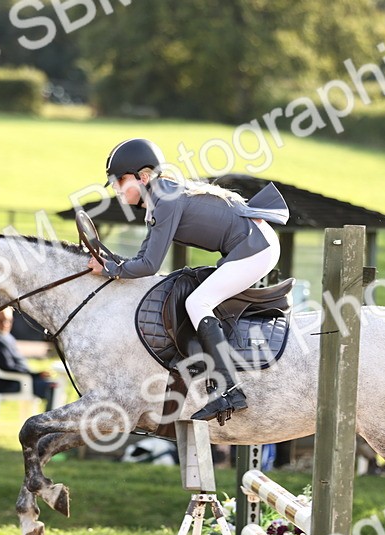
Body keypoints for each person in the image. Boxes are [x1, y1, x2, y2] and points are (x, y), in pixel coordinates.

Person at [87, 138, 289, 422]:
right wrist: (112, 264)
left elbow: (148, 265)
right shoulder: (159, 196)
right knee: (197, 298)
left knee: (197, 302)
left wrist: (110, 269)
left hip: (257, 247)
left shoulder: (164, 200)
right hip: (252, 243)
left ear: (143, 176)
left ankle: (230, 390)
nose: (118, 188)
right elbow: (144, 257)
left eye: (121, 180)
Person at [0, 307, 57, 411]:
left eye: (9, 321)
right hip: (10, 383)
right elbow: (7, 367)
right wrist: (35, 375)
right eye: (1, 321)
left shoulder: (5, 336)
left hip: (19, 380)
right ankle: (50, 424)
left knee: (54, 383)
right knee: (54, 387)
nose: (5, 324)